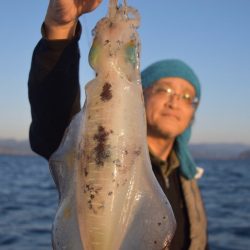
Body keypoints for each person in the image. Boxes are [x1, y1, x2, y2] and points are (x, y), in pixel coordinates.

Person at [28, 0, 208, 249]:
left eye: (187, 97)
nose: (174, 102)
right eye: (164, 89)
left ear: (193, 112)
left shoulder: (186, 176)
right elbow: (53, 126)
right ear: (143, 93)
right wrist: (60, 30)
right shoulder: (86, 137)